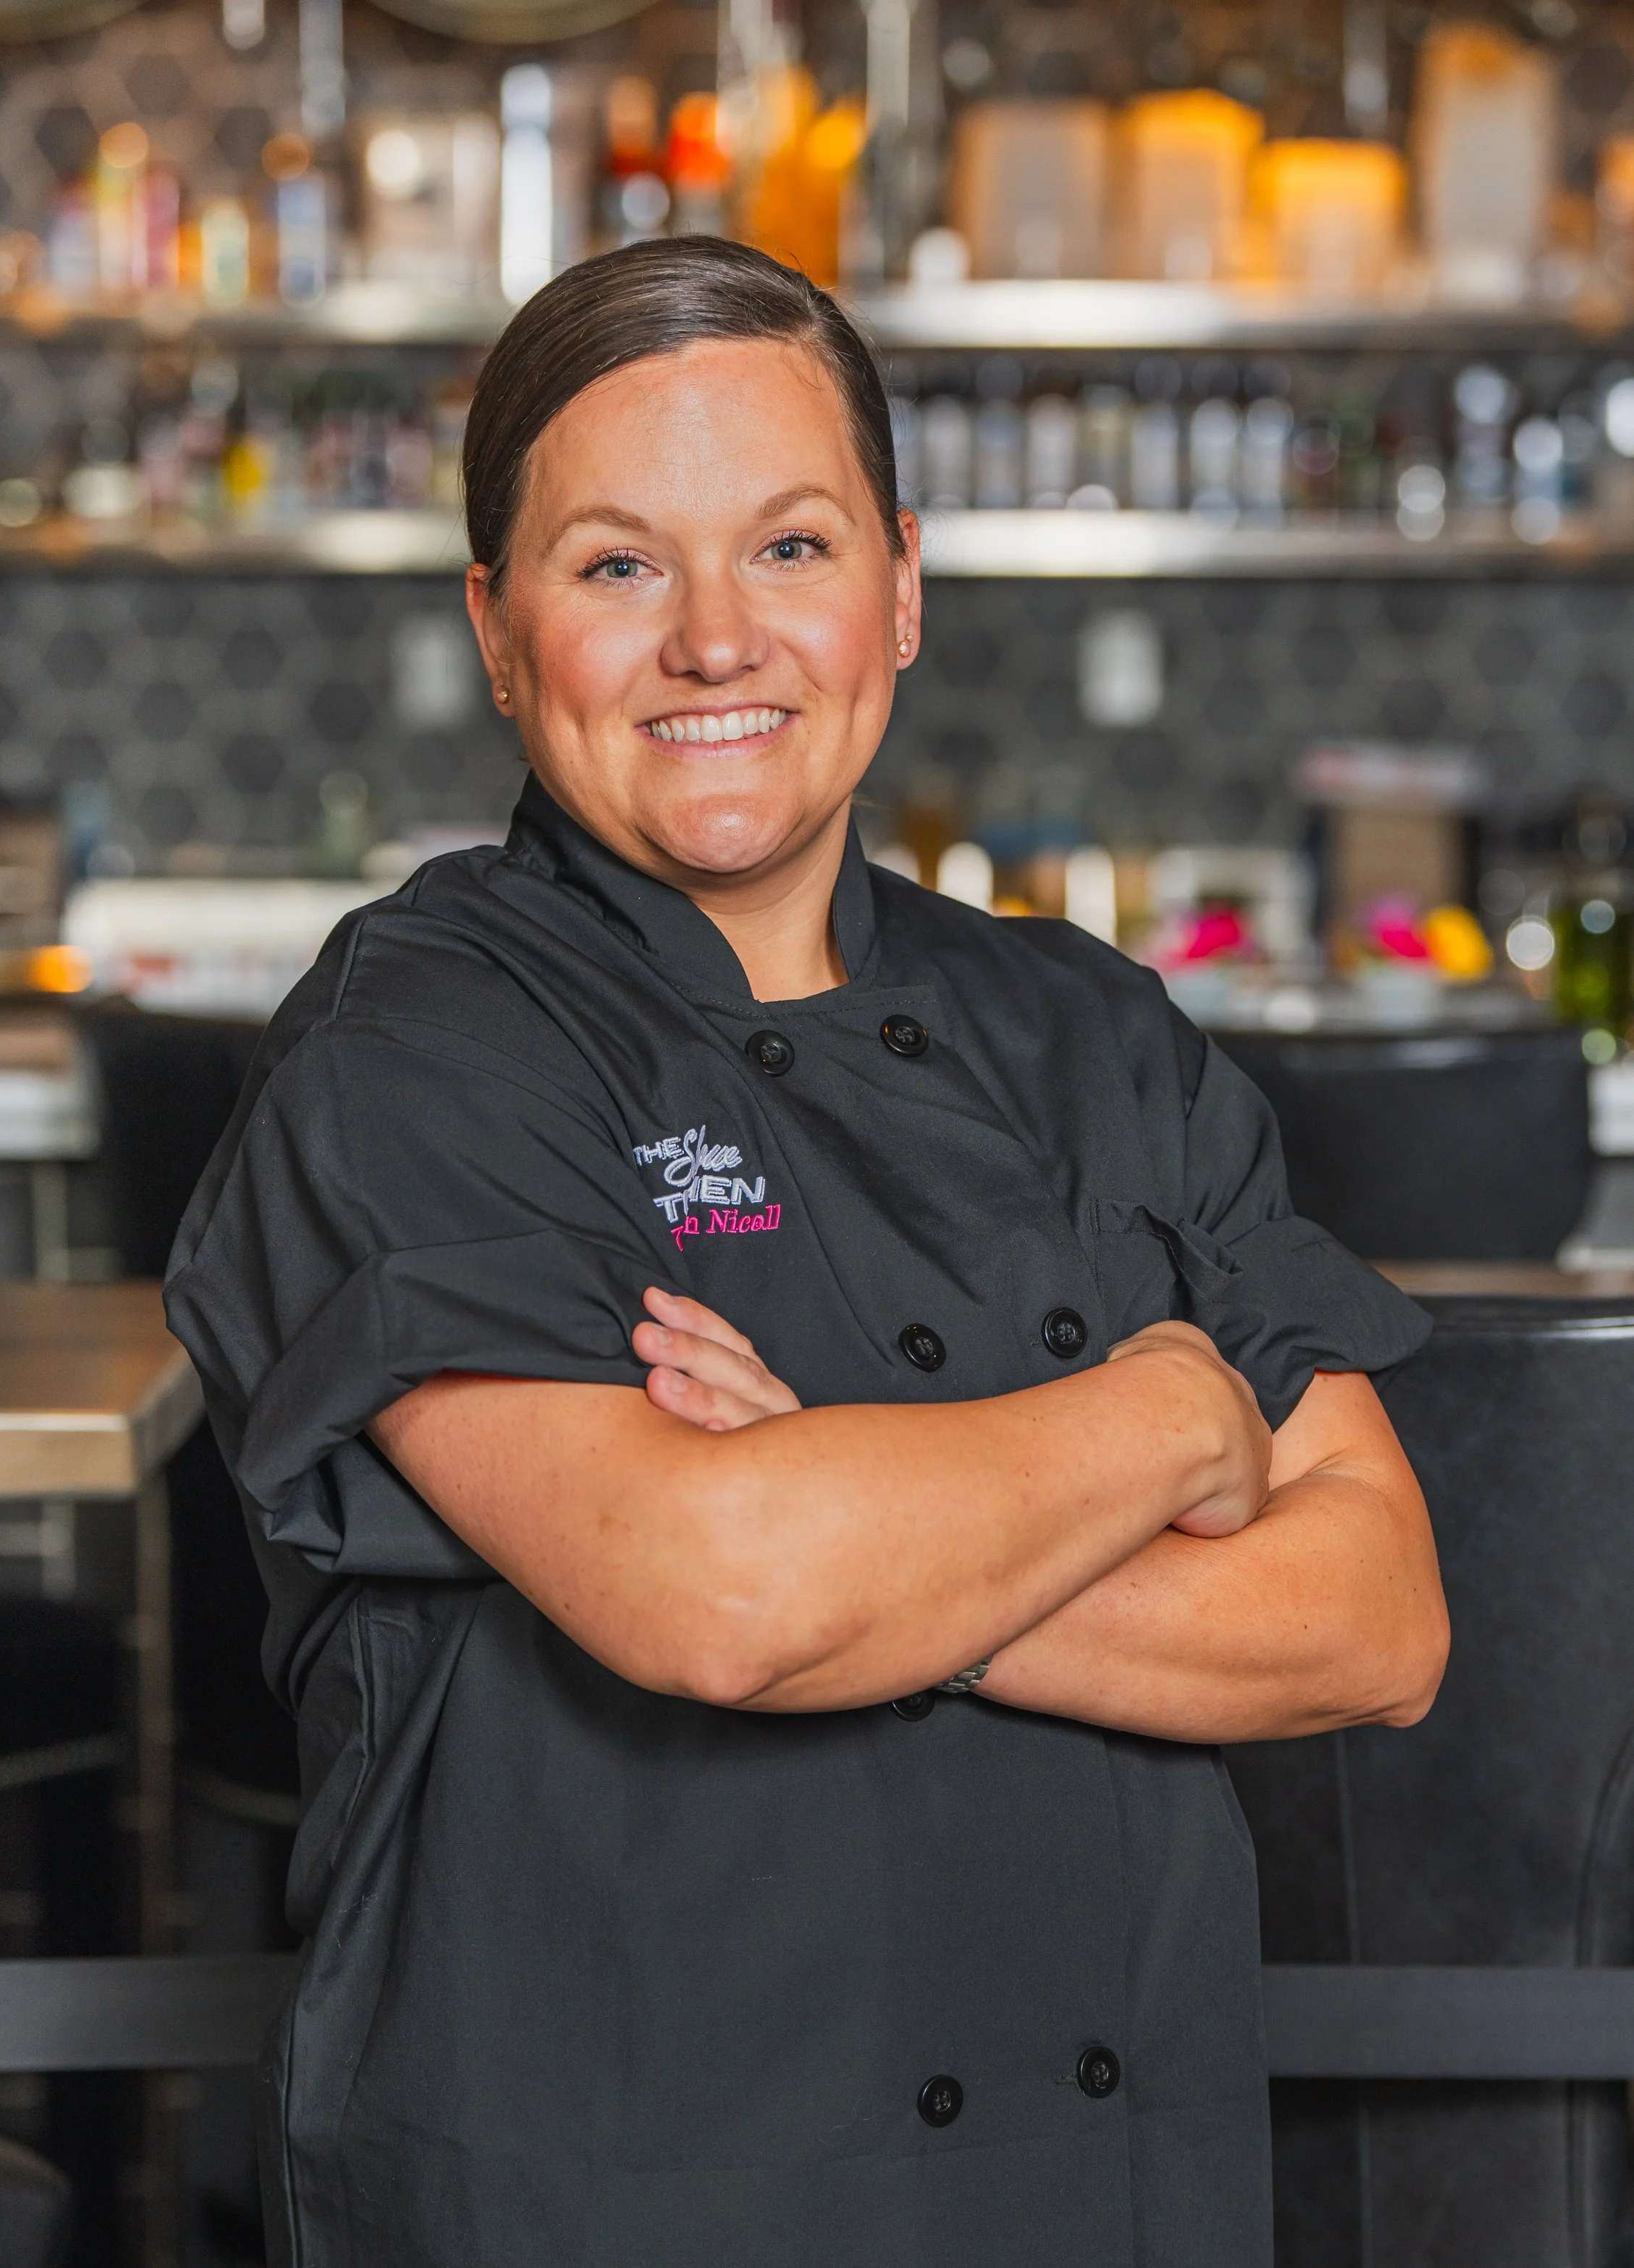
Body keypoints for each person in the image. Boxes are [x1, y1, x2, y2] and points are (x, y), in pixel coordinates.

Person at [166, 237, 1447, 2268]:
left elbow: (1371, 1618)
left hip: (1106, 2195)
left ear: (901, 586)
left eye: (787, 544)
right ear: (496, 631)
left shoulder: (1091, 1032)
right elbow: (722, 1591)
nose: (711, 640)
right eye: (611, 566)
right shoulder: (418, 1044)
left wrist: (858, 1491)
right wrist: (1170, 1412)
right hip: (611, 2183)